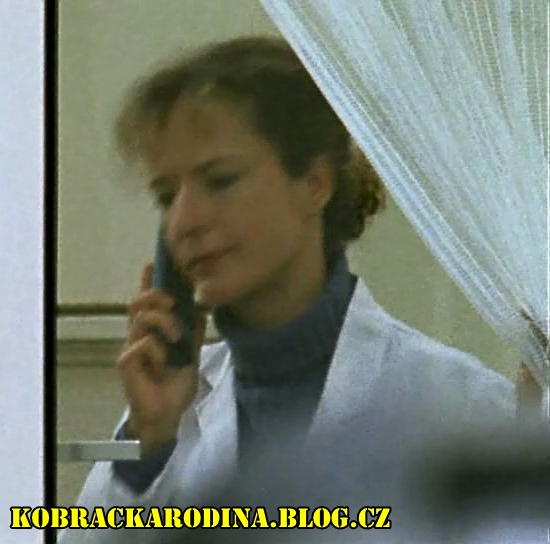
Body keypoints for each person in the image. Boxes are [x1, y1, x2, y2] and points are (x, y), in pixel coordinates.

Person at [60, 36, 515, 544]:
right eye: (167, 196)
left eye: (220, 181)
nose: (184, 222)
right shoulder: (170, 407)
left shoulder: (464, 405)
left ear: (315, 183)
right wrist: (146, 450)